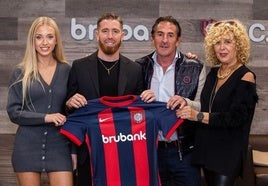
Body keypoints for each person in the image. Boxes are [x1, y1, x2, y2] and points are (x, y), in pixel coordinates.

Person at [65, 12, 154, 186]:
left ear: (123, 35)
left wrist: (147, 99)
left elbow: (140, 111)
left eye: (115, 31)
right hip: (89, 152)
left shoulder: (135, 69)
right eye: (105, 31)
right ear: (97, 34)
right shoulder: (79, 67)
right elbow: (68, 109)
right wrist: (69, 104)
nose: (110, 36)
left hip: (124, 151)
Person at [176, 19, 258, 186]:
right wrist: (192, 64)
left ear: (238, 45)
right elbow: (207, 106)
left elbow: (236, 118)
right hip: (207, 148)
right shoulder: (214, 73)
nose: (222, 47)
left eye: (228, 42)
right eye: (217, 43)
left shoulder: (246, 76)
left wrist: (197, 116)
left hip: (228, 152)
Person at [136, 16, 206, 186]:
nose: (165, 40)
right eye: (160, 34)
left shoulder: (195, 67)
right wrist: (141, 100)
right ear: (152, 38)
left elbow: (203, 106)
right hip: (149, 151)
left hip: (184, 153)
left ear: (178, 40)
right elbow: (128, 107)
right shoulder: (138, 67)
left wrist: (185, 102)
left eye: (170, 35)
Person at [6, 17, 73, 186]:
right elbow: (14, 112)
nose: (45, 42)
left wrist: (73, 151)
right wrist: (46, 117)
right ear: (32, 41)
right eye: (39, 37)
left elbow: (72, 114)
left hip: (59, 146)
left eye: (49, 37)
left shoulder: (67, 70)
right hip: (27, 146)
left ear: (56, 40)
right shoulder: (21, 72)